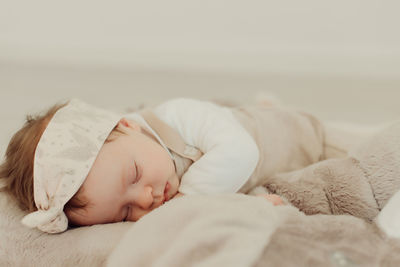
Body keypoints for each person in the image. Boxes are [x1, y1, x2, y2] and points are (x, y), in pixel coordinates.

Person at [0, 97, 367, 233]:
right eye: (124, 213)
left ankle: (262, 106)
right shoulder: (137, 161)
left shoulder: (177, 116)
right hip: (274, 178)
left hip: (305, 136)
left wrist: (186, 204)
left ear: (127, 125)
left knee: (364, 155)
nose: (145, 200)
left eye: (135, 175)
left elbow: (241, 154)